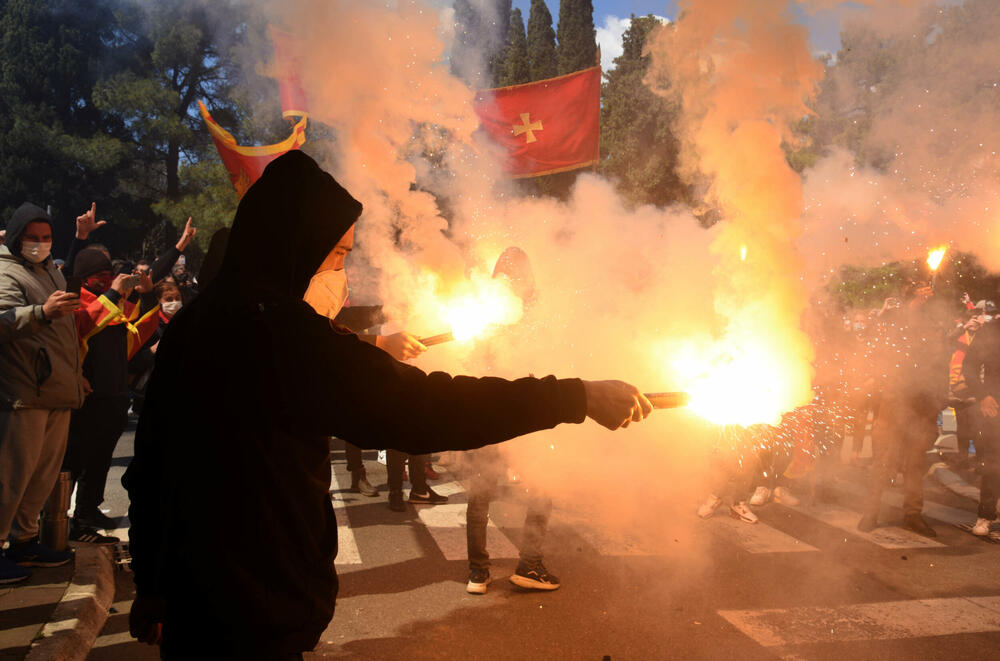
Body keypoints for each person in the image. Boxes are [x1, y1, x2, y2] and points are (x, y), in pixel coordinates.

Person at [123, 151, 650, 659]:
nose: (337, 268)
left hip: (196, 602)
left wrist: (151, 584)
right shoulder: (281, 334)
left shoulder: (203, 322)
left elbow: (151, 463)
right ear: (298, 243)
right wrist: (575, 396)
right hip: (251, 609)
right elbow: (426, 409)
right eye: (338, 253)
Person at [0, 203, 85, 583]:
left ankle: (24, 541)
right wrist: (41, 313)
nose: (39, 244)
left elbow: (62, 333)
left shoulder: (50, 270)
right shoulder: (5, 271)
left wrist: (75, 375)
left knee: (42, 475)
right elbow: (4, 322)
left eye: (46, 237)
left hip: (55, 390)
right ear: (16, 237)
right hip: (23, 392)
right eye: (32, 237)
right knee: (12, 475)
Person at [63, 246, 160, 543]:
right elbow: (86, 323)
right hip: (88, 396)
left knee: (101, 457)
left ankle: (89, 510)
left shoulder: (112, 304)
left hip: (114, 394)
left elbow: (139, 330)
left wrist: (147, 294)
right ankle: (65, 522)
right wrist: (115, 292)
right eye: (99, 277)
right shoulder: (78, 302)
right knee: (76, 459)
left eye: (109, 276)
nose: (106, 282)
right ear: (84, 278)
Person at [858, 284, 949, 537]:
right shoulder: (894, 324)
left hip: (922, 406)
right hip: (894, 402)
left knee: (915, 464)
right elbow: (880, 348)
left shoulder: (935, 327)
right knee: (883, 462)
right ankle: (871, 512)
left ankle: (912, 514)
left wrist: (938, 401)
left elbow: (941, 365)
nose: (926, 298)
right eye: (920, 294)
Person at [961, 311, 1000, 537]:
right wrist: (983, 395)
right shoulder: (991, 332)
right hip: (995, 406)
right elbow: (969, 367)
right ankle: (985, 515)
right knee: (993, 463)